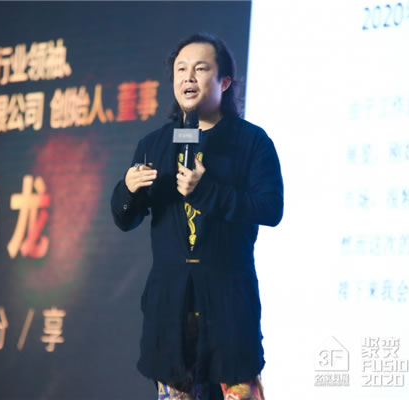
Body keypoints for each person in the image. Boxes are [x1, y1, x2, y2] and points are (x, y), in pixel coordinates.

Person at [110, 33, 284, 400]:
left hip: (228, 303)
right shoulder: (153, 144)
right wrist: (127, 189)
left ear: (224, 81)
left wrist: (206, 191)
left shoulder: (252, 142)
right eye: (181, 69)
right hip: (169, 306)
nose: (188, 77)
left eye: (201, 69)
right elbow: (126, 219)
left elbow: (270, 209)